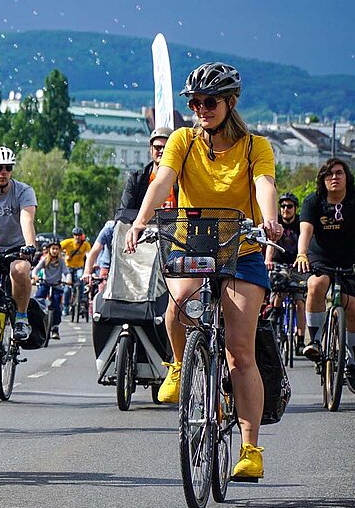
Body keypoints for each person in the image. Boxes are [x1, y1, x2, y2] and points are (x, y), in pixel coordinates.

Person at [127, 61, 281, 481]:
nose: (200, 109)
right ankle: (181, 366)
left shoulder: (255, 147)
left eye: (209, 102)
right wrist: (142, 220)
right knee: (175, 308)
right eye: (194, 103)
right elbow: (162, 182)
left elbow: (265, 185)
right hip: (196, 239)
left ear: (230, 103)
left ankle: (250, 448)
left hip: (244, 244)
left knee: (239, 352)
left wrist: (269, 219)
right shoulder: (182, 140)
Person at [297, 160, 355, 372]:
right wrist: (302, 253)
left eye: (339, 173)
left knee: (353, 306)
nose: (334, 177)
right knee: (316, 284)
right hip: (321, 256)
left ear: (347, 177)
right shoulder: (314, 201)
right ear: (323, 179)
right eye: (329, 174)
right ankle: (314, 341)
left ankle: (351, 359)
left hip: (350, 258)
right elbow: (305, 231)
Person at [0, 145, 37, 341]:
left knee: (21, 270)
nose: (4, 172)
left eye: (8, 167)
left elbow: (27, 219)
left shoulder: (23, 191)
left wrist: (29, 246)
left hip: (17, 247)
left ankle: (21, 318)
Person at [265, 192, 306, 348]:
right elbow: (271, 242)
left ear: (295, 208)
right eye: (282, 206)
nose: (285, 209)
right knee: (278, 294)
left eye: (289, 206)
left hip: (297, 266)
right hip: (278, 264)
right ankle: (275, 320)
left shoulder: (301, 223)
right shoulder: (277, 223)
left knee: (300, 302)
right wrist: (268, 260)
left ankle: (301, 341)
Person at [117, 126, 175, 221]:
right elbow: (123, 213)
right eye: (158, 147)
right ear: (151, 149)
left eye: (167, 148)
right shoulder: (136, 179)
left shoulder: (182, 179)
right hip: (142, 228)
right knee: (111, 226)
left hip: (173, 229)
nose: (162, 151)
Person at [33, 240, 68, 339]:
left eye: (57, 249)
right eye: (53, 248)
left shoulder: (61, 262)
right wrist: (35, 276)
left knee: (56, 306)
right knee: (38, 299)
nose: (55, 251)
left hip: (57, 285)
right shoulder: (45, 260)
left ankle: (55, 327)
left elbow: (66, 272)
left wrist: (68, 279)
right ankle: (38, 321)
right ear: (49, 250)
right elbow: (36, 269)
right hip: (45, 283)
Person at [59, 227, 91, 315]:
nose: (77, 237)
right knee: (67, 289)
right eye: (76, 235)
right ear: (73, 236)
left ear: (82, 236)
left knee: (81, 279)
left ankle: (80, 301)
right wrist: (63, 257)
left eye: (79, 235)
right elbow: (57, 248)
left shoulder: (85, 244)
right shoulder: (68, 242)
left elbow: (88, 255)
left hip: (79, 267)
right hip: (68, 268)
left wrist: (92, 263)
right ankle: (65, 307)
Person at [84, 219, 116, 294]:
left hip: (132, 268)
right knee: (103, 298)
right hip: (108, 268)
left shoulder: (143, 228)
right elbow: (94, 251)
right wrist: (87, 272)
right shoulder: (111, 228)